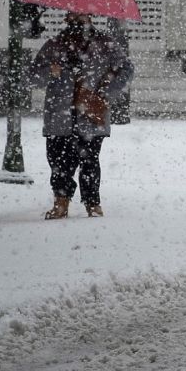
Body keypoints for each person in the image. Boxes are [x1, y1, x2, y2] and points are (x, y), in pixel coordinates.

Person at [28, 13, 134, 218]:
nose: (76, 18)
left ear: (90, 16)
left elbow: (126, 69)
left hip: (90, 115)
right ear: (66, 17)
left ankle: (92, 203)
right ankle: (61, 202)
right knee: (58, 162)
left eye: (81, 14)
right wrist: (51, 71)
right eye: (72, 14)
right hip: (60, 116)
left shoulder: (105, 44)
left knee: (90, 161)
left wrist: (106, 92)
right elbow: (33, 77)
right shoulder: (55, 45)